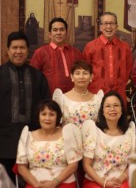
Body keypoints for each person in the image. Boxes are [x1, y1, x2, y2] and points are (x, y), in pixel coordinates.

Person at [0, 31, 50, 183]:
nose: (18, 51)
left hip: (33, 144)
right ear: (8, 50)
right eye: (14, 48)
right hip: (3, 144)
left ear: (27, 50)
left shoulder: (38, 76)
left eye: (22, 48)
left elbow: (47, 108)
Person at [16, 99, 82, 188]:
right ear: (38, 116)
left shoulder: (67, 134)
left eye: (52, 114)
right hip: (35, 184)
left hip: (63, 182)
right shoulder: (27, 136)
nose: (47, 118)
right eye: (43, 114)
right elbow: (21, 167)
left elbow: (73, 165)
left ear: (57, 117)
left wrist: (54, 182)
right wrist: (36, 184)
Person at [82, 91, 136, 188]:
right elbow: (87, 165)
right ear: (102, 111)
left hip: (120, 181)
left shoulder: (130, 132)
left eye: (116, 105)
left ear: (122, 110)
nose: (112, 109)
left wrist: (121, 178)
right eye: (108, 106)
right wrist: (104, 183)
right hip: (96, 181)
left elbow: (132, 163)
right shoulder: (93, 131)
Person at [83, 12, 133, 106]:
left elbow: (128, 69)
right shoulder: (90, 47)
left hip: (119, 94)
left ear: (117, 26)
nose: (109, 27)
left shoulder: (125, 47)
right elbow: (85, 71)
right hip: (95, 94)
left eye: (112, 23)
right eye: (105, 23)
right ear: (100, 27)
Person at [30, 17, 82, 95]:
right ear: (50, 34)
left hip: (74, 99)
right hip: (49, 100)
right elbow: (33, 79)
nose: (58, 33)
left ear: (66, 33)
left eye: (62, 30)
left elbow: (83, 74)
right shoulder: (40, 53)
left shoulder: (76, 53)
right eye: (55, 30)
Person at [53, 60, 104, 128]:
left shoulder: (98, 99)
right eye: (77, 73)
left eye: (85, 73)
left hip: (92, 138)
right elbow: (56, 126)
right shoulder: (62, 99)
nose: (81, 77)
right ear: (72, 77)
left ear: (91, 77)